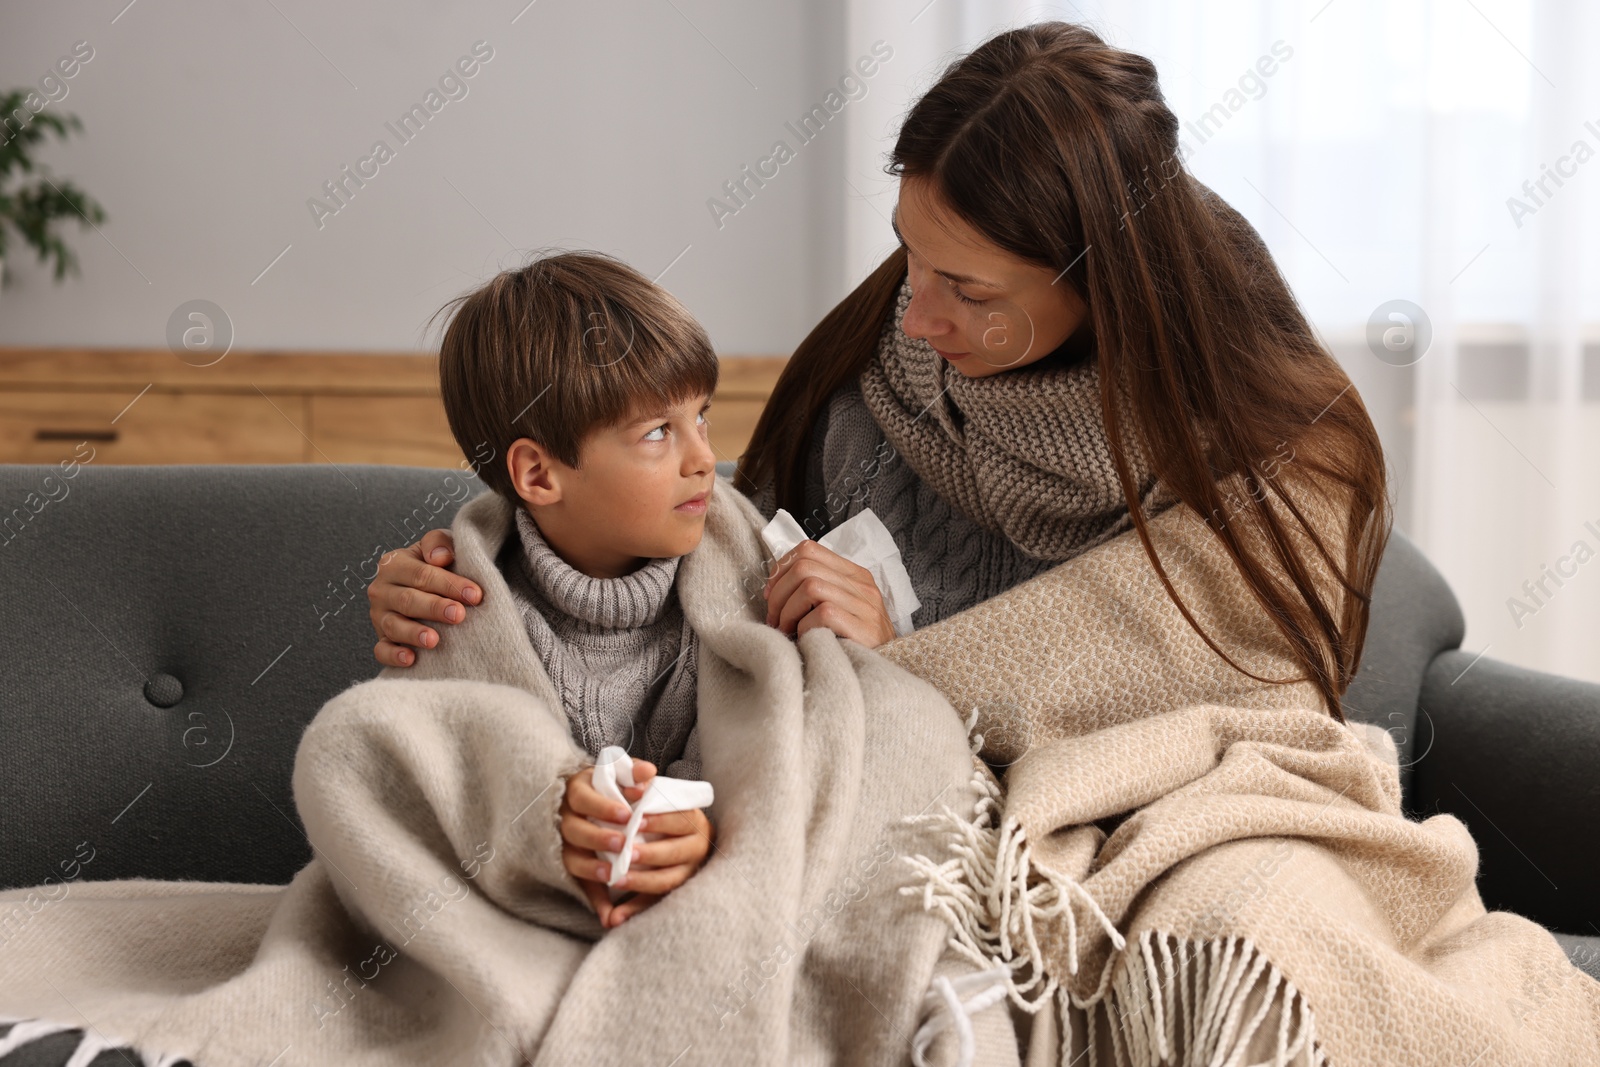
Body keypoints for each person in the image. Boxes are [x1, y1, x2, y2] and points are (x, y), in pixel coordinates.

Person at [370, 20, 1388, 727]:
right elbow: (702, 578)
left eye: (971, 291)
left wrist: (895, 649)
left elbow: (1218, 697)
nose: (918, 310)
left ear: (1104, 285)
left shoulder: (1279, 463)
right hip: (862, 790)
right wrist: (489, 572)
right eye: (909, 253)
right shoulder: (873, 366)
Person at [429, 248, 721, 930]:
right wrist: (543, 829)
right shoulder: (462, 614)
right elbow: (440, 799)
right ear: (538, 475)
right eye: (658, 431)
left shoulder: (740, 595)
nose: (705, 456)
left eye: (701, 415)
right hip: (523, 920)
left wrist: (700, 830)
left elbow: (769, 750)